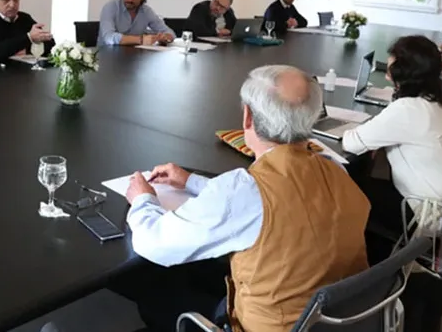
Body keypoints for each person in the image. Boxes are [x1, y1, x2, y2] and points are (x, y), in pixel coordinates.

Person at [121, 65, 370, 332]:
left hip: (267, 326)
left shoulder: (244, 191)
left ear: (247, 117)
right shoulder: (335, 169)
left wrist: (143, 199)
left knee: (154, 290)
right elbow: (272, 200)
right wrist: (191, 181)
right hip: (340, 319)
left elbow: (153, 243)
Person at [342, 35, 442, 235]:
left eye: (392, 60)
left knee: (343, 187)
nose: (388, 63)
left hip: (426, 213)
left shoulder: (408, 109)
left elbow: (351, 143)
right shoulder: (433, 100)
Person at [98, 0, 175, 46]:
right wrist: (141, 39)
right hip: (107, 53)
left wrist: (165, 37)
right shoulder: (111, 7)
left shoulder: (146, 11)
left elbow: (168, 32)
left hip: (135, 54)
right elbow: (108, 37)